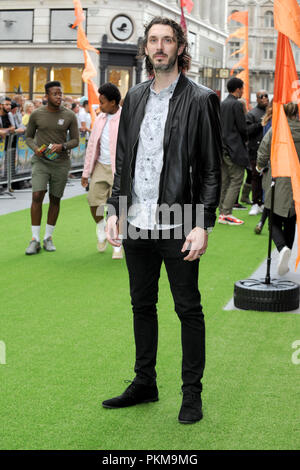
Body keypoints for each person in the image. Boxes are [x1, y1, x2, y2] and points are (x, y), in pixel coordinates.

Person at [102, 17, 222, 424]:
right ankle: (144, 383)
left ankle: (192, 394)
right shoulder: (133, 97)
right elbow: (123, 161)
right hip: (137, 216)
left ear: (179, 46)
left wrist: (203, 223)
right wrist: (115, 210)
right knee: (142, 305)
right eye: (153, 40)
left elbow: (210, 169)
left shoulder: (201, 98)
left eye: (167, 40)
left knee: (188, 308)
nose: (159, 47)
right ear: (146, 47)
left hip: (180, 217)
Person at [25, 80, 79, 255]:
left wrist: (62, 146)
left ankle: (48, 237)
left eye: (60, 93)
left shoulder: (70, 115)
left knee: (55, 199)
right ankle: (35, 239)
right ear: (46, 96)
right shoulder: (36, 114)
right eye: (55, 94)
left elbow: (76, 140)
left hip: (61, 163)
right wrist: (35, 149)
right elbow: (28, 137)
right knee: (37, 194)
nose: (59, 97)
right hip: (40, 161)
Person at [257, 102, 299, 276]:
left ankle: (282, 249)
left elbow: (263, 152)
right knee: (290, 220)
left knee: (273, 219)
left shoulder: (277, 129)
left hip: (278, 178)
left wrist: (260, 167)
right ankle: (286, 252)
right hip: (296, 180)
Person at [81, 82, 122, 259]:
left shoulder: (126, 118)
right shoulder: (99, 119)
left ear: (113, 102)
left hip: (119, 169)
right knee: (93, 202)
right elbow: (91, 147)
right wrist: (85, 173)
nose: (100, 105)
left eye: (103, 102)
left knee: (117, 207)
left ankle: (117, 245)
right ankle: (101, 227)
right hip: (100, 166)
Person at [219, 77, 249, 225]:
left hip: (222, 148)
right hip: (234, 148)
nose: (243, 91)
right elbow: (243, 128)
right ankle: (226, 213)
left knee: (225, 181)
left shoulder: (222, 103)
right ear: (238, 89)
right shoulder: (236, 105)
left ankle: (221, 213)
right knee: (236, 180)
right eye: (242, 88)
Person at [246, 90, 269, 215]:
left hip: (270, 151)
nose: (265, 98)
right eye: (262, 96)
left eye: (266, 96)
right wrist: (260, 124)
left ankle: (265, 202)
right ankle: (255, 203)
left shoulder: (271, 112)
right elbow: (247, 130)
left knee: (268, 178)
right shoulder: (252, 114)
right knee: (255, 177)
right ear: (257, 98)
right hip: (256, 150)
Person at [254, 100, 273, 235]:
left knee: (269, 194)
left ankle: (262, 222)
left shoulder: (267, 119)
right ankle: (267, 223)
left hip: (268, 161)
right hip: (276, 161)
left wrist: (261, 163)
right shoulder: (276, 123)